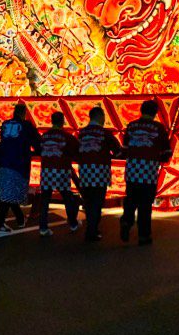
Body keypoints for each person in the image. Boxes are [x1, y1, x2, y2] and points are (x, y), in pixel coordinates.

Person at [119, 100, 171, 245]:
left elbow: (124, 150)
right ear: (155, 113)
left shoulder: (131, 126)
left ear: (141, 111)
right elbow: (167, 153)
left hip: (132, 170)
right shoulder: (159, 128)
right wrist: (159, 157)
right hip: (148, 171)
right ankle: (144, 236)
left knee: (131, 198)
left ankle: (126, 221)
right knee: (145, 204)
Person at [0, 103, 41, 233]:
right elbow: (37, 143)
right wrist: (40, 151)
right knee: (9, 195)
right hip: (18, 164)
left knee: (10, 192)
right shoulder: (26, 126)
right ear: (24, 113)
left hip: (4, 162)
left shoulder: (5, 125)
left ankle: (20, 219)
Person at [77, 106, 122, 241]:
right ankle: (92, 230)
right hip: (100, 172)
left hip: (85, 171)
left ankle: (91, 229)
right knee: (97, 201)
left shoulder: (82, 133)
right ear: (100, 117)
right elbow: (118, 152)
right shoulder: (105, 134)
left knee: (89, 201)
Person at [37, 112, 81, 237]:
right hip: (62, 170)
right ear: (62, 121)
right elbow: (78, 151)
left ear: (51, 121)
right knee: (67, 198)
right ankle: (73, 224)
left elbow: (39, 151)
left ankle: (43, 228)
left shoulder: (44, 136)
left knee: (45, 199)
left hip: (46, 171)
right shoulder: (67, 136)